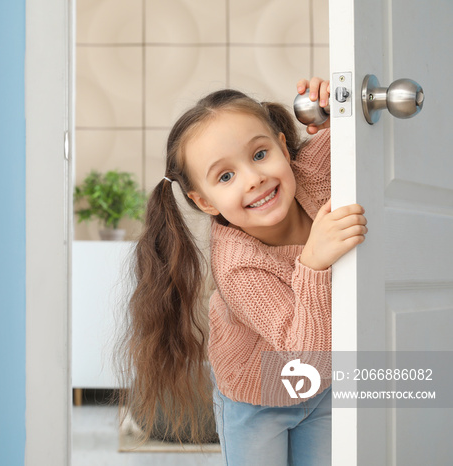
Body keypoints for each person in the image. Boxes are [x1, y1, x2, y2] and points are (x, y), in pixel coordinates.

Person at [117, 77, 368, 465]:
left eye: (260, 154)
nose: (254, 179)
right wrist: (314, 263)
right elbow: (305, 359)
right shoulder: (238, 265)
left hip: (325, 387)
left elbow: (364, 132)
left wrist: (336, 109)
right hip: (256, 399)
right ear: (205, 201)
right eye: (226, 177)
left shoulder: (310, 177)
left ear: (284, 147)